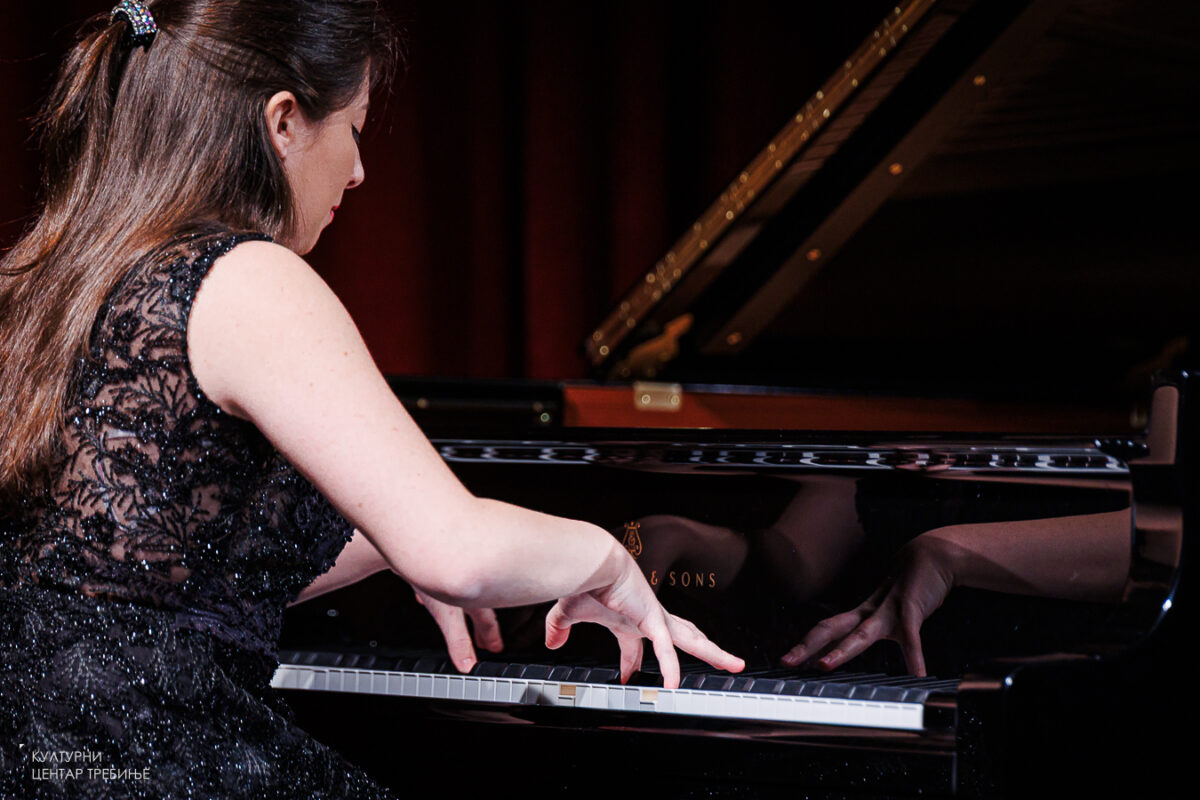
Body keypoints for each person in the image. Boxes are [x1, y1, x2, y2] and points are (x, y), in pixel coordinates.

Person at [0, 2, 743, 797]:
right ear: (283, 123)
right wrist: (606, 557)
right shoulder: (245, 276)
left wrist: (389, 537)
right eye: (353, 127)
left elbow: (149, 570)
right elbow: (459, 552)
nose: (358, 171)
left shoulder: (42, 280)